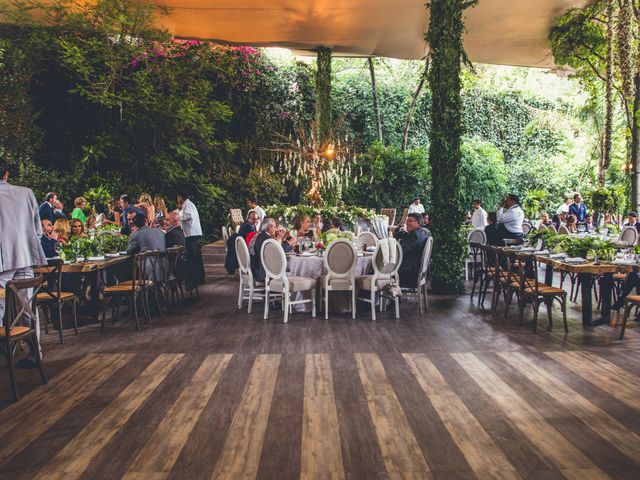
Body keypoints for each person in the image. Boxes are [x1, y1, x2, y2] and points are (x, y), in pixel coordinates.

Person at [0, 159, 47, 360]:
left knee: (0, 307)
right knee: (27, 308)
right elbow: (37, 231)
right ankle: (36, 353)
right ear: (6, 174)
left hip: (2, 261)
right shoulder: (26, 192)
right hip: (25, 255)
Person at [250, 218, 294, 282]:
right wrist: (290, 242)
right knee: (289, 270)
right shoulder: (267, 240)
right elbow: (280, 251)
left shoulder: (260, 236)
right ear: (270, 227)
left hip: (256, 270)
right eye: (275, 227)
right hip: (262, 273)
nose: (276, 230)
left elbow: (276, 249)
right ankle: (286, 288)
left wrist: (280, 239)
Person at [177, 190, 205, 290]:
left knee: (194, 256)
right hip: (192, 233)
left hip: (191, 233)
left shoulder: (187, 205)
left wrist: (178, 216)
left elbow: (189, 216)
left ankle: (196, 278)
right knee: (196, 256)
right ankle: (199, 277)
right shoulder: (188, 204)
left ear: (180, 197)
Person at [127, 213, 166, 280]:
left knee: (129, 265)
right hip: (165, 267)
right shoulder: (159, 231)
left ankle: (132, 288)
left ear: (135, 224)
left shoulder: (135, 235)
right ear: (146, 221)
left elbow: (129, 251)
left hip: (148, 270)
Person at [395, 213, 428, 288]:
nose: (407, 223)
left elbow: (401, 253)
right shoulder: (420, 233)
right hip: (414, 271)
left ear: (418, 223)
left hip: (408, 275)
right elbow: (399, 235)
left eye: (410, 221)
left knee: (378, 270)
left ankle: (372, 297)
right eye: (407, 221)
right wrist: (402, 230)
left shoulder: (414, 236)